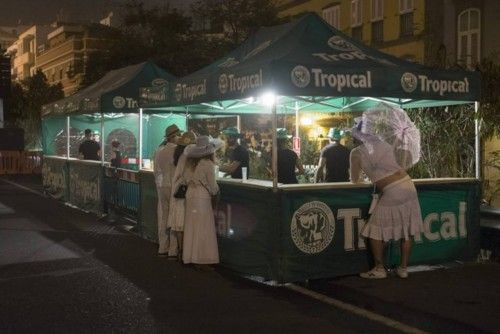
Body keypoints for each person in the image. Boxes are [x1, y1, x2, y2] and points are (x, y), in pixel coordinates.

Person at [349, 119, 424, 279]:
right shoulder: (385, 145)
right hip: (408, 185)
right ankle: (403, 268)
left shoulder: (356, 152)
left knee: (374, 231)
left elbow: (355, 179)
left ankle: (379, 268)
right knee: (407, 230)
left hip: (392, 191)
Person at [182, 136, 224, 268]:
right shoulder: (208, 164)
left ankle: (189, 256)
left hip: (190, 195)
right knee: (204, 228)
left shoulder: (189, 164)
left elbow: (184, 179)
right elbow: (213, 186)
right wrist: (217, 191)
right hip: (202, 197)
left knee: (191, 226)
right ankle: (202, 259)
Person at [166, 131, 197, 260]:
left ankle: (180, 251)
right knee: (183, 224)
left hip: (178, 193)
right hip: (185, 194)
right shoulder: (188, 158)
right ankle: (184, 252)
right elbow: (189, 177)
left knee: (179, 224)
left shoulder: (179, 156)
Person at [153, 124, 181, 257]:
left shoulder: (159, 150)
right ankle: (173, 250)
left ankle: (162, 247)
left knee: (163, 216)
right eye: (179, 135)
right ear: (174, 137)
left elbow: (155, 171)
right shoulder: (177, 150)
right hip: (173, 186)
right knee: (173, 216)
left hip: (161, 186)